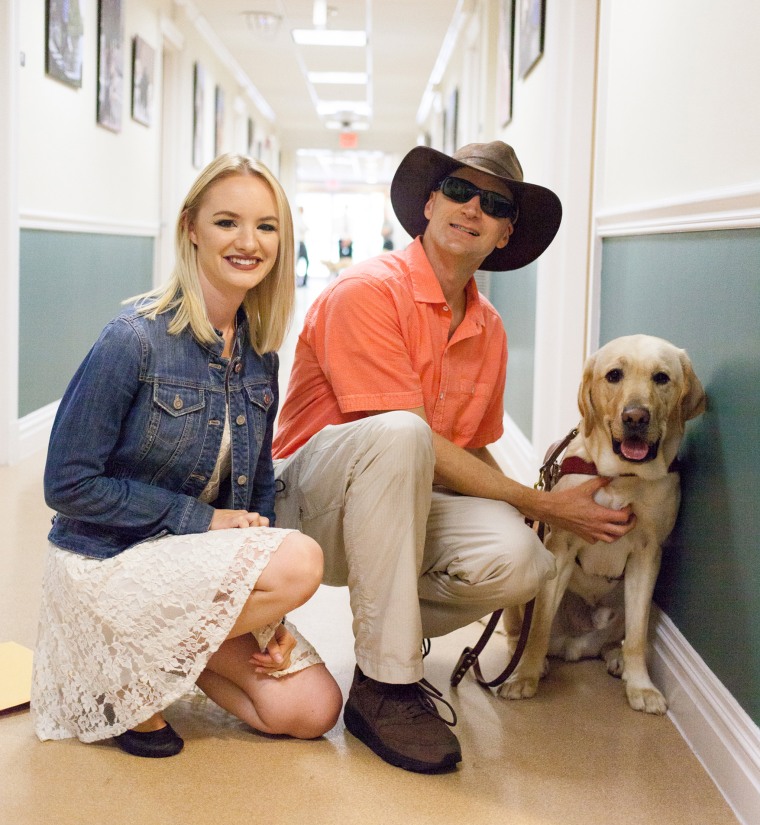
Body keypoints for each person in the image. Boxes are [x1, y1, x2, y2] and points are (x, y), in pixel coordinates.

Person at [271, 141, 634, 774]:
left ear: (503, 234)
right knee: (402, 434)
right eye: (460, 191)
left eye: (494, 204)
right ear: (430, 203)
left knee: (526, 561)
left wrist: (538, 523)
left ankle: (381, 656)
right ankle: (389, 686)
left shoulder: (488, 328)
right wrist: (541, 501)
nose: (473, 208)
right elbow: (409, 437)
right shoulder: (365, 292)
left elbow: (466, 446)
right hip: (306, 510)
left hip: (397, 513)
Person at [32, 154, 343, 758]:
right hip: (108, 563)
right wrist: (203, 520)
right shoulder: (133, 341)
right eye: (227, 222)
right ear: (191, 229)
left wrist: (267, 622)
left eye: (267, 226)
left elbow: (253, 497)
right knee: (301, 561)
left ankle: (143, 665)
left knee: (310, 710)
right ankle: (119, 670)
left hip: (188, 573)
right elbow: (67, 485)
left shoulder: (260, 357)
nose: (249, 242)